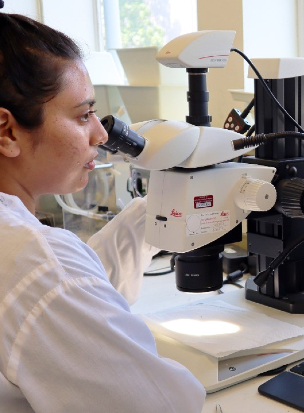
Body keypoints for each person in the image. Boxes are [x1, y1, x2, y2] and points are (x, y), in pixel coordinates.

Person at [0, 12, 206, 413]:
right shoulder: (35, 261)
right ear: (7, 132)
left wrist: (156, 213)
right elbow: (164, 405)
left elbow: (79, 294)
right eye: (82, 115)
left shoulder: (29, 255)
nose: (101, 133)